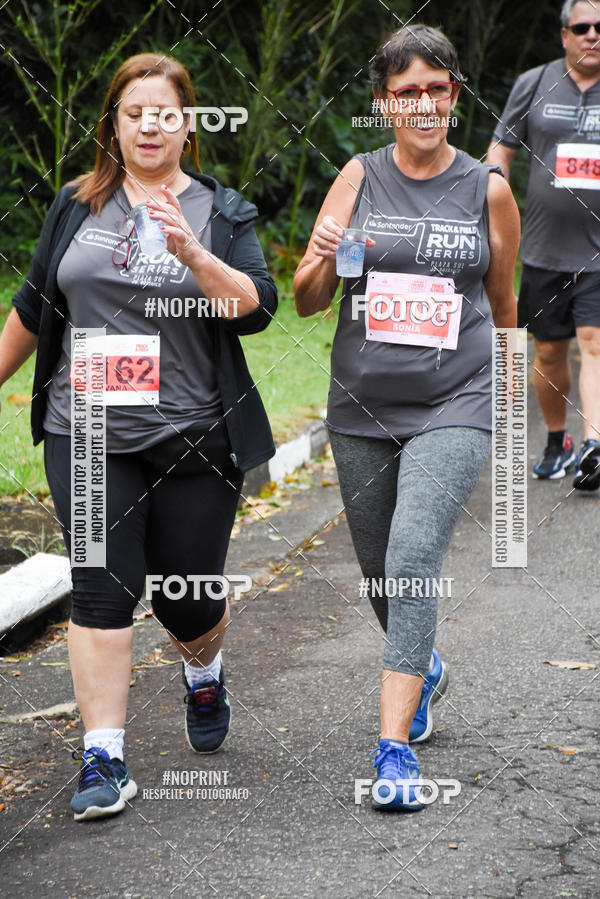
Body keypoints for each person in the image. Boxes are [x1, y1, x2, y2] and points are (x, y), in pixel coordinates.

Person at [0, 53, 277, 821]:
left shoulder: (223, 209)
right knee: (101, 586)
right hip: (85, 426)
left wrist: (191, 249)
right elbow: (31, 308)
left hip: (193, 433)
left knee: (187, 597)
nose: (149, 125)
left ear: (188, 126)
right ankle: (104, 756)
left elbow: (256, 307)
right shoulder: (75, 204)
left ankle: (205, 666)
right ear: (114, 127)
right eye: (134, 113)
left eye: (164, 113)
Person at [294, 25, 519, 811]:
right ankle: (422, 662)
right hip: (360, 404)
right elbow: (308, 299)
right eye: (406, 91)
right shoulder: (357, 177)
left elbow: (503, 306)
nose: (423, 102)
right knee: (380, 571)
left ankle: (393, 750)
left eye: (437, 87)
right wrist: (321, 253)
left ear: (454, 94)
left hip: (455, 398)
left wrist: (509, 396)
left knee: (415, 550)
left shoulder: (487, 187)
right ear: (384, 103)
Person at [487, 0, 600, 490]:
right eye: (582, 27)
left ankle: (595, 445)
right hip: (543, 251)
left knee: (594, 343)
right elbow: (501, 149)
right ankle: (559, 440)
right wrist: (491, 196)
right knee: (550, 352)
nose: (593, 35)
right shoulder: (534, 83)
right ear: (564, 35)